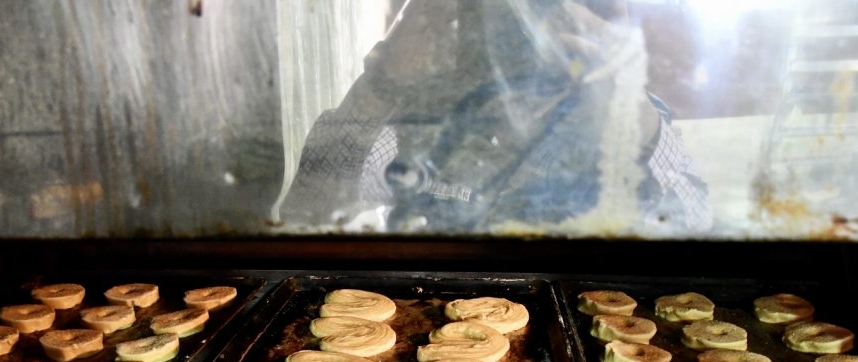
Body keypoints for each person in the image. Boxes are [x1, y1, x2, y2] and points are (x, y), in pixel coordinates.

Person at [280, 0, 711, 234]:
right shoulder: (430, 126)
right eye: (504, 29)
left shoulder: (617, 118)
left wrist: (622, 97)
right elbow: (306, 210)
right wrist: (383, 80)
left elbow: (690, 229)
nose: (525, 50)